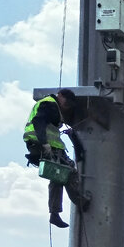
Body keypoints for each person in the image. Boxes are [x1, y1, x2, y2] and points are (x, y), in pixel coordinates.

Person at [23, 89, 89, 228]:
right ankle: (80, 201)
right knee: (69, 171)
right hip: (43, 145)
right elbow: (38, 121)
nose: (68, 105)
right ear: (60, 96)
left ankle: (55, 214)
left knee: (57, 175)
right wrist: (44, 143)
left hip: (41, 145)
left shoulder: (53, 106)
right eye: (67, 102)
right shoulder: (49, 104)